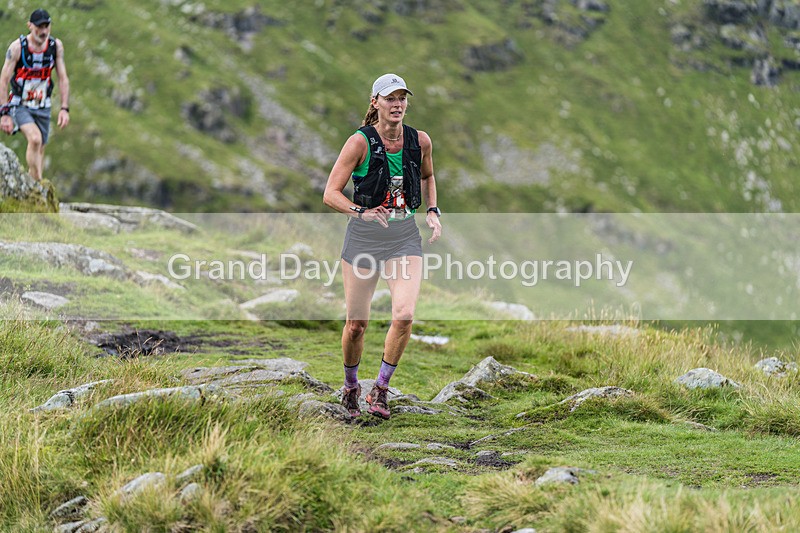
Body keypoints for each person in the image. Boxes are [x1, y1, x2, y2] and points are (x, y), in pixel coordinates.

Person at [323, 73, 442, 420]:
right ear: (375, 102)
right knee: (356, 325)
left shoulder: (420, 141)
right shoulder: (359, 142)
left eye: (402, 98)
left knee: (404, 315)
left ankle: (380, 389)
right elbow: (330, 193)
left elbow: (427, 176)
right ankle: (351, 387)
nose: (397, 104)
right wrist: (361, 212)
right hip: (363, 239)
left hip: (403, 237)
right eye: (390, 98)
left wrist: (432, 210)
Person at [0, 9, 70, 182]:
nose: (44, 31)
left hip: (42, 104)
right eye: (39, 27)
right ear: (30, 26)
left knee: (40, 147)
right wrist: (4, 113)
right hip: (20, 104)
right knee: (35, 139)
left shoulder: (55, 47)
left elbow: (63, 78)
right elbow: (3, 80)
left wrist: (64, 108)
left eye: (47, 26)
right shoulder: (17, 48)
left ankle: (33, 185)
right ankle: (37, 183)